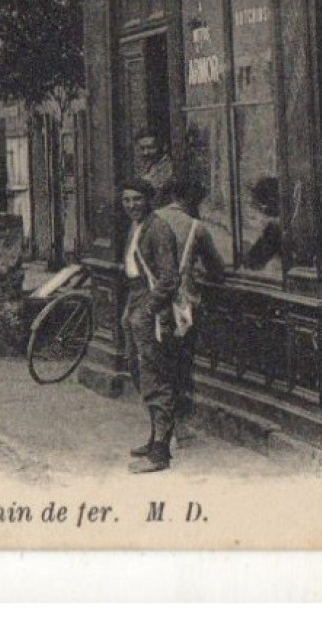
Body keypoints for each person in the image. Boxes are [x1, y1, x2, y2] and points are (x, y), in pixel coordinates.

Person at [118, 178, 182, 473]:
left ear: (149, 200)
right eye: (127, 200)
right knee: (138, 369)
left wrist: (147, 309)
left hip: (151, 305)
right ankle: (156, 436)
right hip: (135, 299)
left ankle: (160, 453)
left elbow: (170, 277)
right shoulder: (136, 226)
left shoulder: (158, 229)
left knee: (154, 374)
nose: (131, 205)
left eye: (137, 199)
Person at [154, 176, 226, 424]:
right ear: (190, 199)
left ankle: (159, 422)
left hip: (150, 301)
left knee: (155, 362)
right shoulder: (196, 227)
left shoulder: (150, 221)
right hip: (181, 304)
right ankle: (177, 419)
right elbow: (217, 269)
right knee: (179, 360)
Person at [134, 131, 174, 196]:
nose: (145, 153)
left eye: (150, 148)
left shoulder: (170, 167)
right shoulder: (146, 167)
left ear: (163, 146)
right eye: (142, 148)